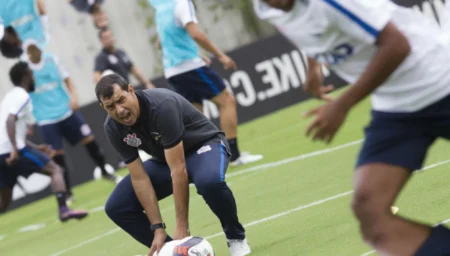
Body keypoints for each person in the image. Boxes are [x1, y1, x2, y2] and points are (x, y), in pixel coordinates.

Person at [254, 0, 450, 255]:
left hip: (440, 79)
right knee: (371, 211)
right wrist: (313, 67)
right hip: (396, 106)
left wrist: (342, 104)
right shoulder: (267, 9)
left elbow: (397, 44)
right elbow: (309, 29)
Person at [96, 74, 251, 256]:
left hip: (204, 146)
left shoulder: (161, 105)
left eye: (121, 100)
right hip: (164, 161)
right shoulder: (112, 127)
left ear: (131, 90)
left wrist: (182, 226)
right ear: (103, 107)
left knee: (209, 182)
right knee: (117, 206)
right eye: (110, 107)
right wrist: (158, 227)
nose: (119, 110)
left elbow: (178, 169)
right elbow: (139, 178)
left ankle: (235, 237)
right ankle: (171, 250)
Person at [148, 0, 263, 167]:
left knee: (195, 116)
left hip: (173, 71)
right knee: (227, 101)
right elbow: (195, 34)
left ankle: (201, 160)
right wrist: (220, 55)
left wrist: (193, 52)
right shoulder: (182, 3)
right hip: (190, 67)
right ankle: (234, 155)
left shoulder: (160, 7)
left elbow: (161, 42)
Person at [25, 43, 122, 204]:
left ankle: (105, 170)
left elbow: (67, 79)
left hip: (66, 111)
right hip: (46, 119)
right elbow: (26, 95)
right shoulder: (26, 70)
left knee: (89, 139)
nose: (34, 52)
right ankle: (68, 191)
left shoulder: (52, 60)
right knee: (57, 155)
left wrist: (74, 96)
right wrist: (28, 120)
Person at [0, 61, 88, 221]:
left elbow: (9, 130)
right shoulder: (23, 96)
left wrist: (36, 147)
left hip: (2, 152)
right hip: (12, 150)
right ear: (26, 76)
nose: (34, 78)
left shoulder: (9, 97)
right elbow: (9, 121)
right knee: (55, 170)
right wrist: (14, 149)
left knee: (3, 202)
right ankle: (64, 210)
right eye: (32, 75)